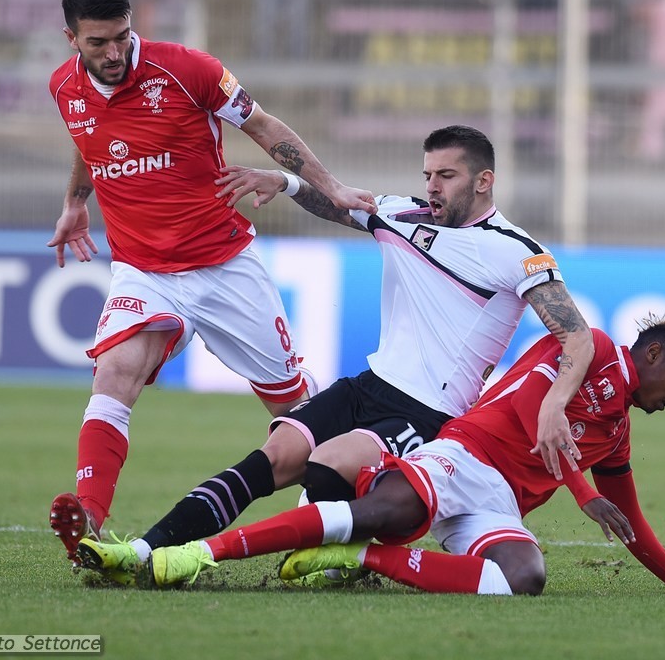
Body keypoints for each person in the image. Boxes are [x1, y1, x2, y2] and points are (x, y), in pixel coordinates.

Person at [74, 125, 595, 584]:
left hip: (430, 414)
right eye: (428, 173)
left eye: (447, 175)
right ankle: (141, 551)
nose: (432, 186)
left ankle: (341, 555)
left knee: (325, 465)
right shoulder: (404, 215)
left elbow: (577, 337)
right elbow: (340, 204)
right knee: (270, 459)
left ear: (484, 181)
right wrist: (286, 182)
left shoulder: (515, 249)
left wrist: (554, 403)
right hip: (367, 385)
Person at [45, 0, 376, 566]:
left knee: (293, 409)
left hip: (224, 265)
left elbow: (264, 125)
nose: (115, 52)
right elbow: (89, 138)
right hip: (142, 270)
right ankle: (89, 519)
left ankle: (336, 526)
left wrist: (331, 185)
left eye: (122, 36)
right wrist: (75, 201)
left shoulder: (188, 69)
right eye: (98, 43)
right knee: (114, 374)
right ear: (72, 39)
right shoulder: (63, 87)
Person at [108, 315, 665, 596]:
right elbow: (531, 407)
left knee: (522, 579)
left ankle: (364, 558)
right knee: (380, 508)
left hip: (497, 502)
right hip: (467, 455)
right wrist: (583, 494)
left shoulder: (615, 438)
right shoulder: (594, 349)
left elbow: (632, 527)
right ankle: (193, 554)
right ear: (655, 355)